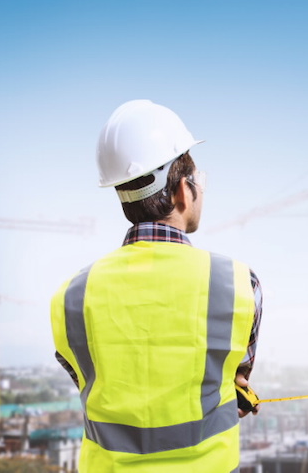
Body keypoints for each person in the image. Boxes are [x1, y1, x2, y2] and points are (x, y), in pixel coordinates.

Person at [50, 99, 263, 472]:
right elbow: (234, 379)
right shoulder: (238, 283)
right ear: (184, 189)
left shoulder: (71, 295)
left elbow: (93, 383)